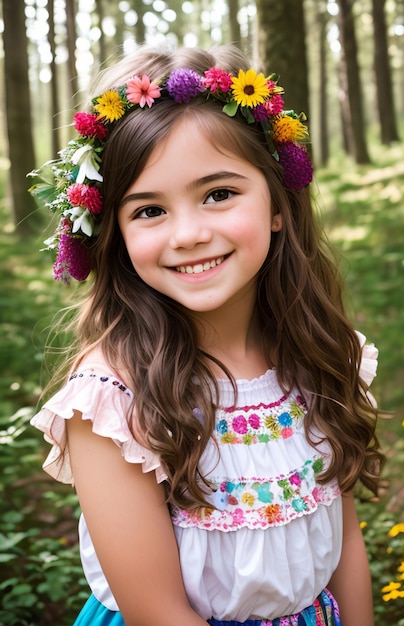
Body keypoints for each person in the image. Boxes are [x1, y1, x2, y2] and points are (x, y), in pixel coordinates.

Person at [29, 43, 384, 626]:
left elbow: (346, 550)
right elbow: (158, 612)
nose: (189, 233)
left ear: (277, 203)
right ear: (114, 231)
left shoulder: (321, 355)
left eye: (218, 194)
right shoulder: (114, 400)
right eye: (149, 210)